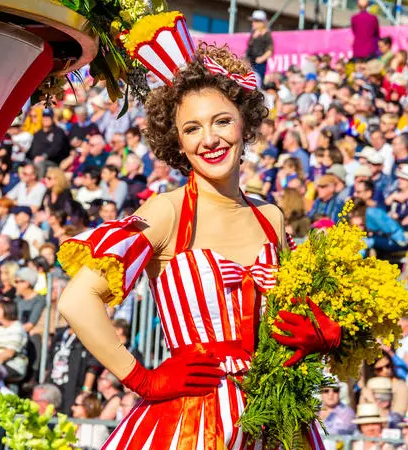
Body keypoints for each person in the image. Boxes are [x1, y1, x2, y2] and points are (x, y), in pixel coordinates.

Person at [56, 43, 337, 449]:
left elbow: (292, 320)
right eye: (192, 128)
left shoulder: (271, 217)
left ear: (245, 123)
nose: (209, 139)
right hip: (190, 423)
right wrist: (144, 379)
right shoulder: (167, 211)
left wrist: (325, 334)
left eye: (221, 121)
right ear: (178, 142)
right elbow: (77, 300)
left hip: (278, 421)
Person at [246, 11, 273, 82]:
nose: (253, 23)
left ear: (262, 23)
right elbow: (249, 46)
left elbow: (270, 50)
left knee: (257, 81)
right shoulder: (253, 33)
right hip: (251, 62)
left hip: (259, 65)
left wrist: (261, 59)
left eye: (255, 21)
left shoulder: (266, 34)